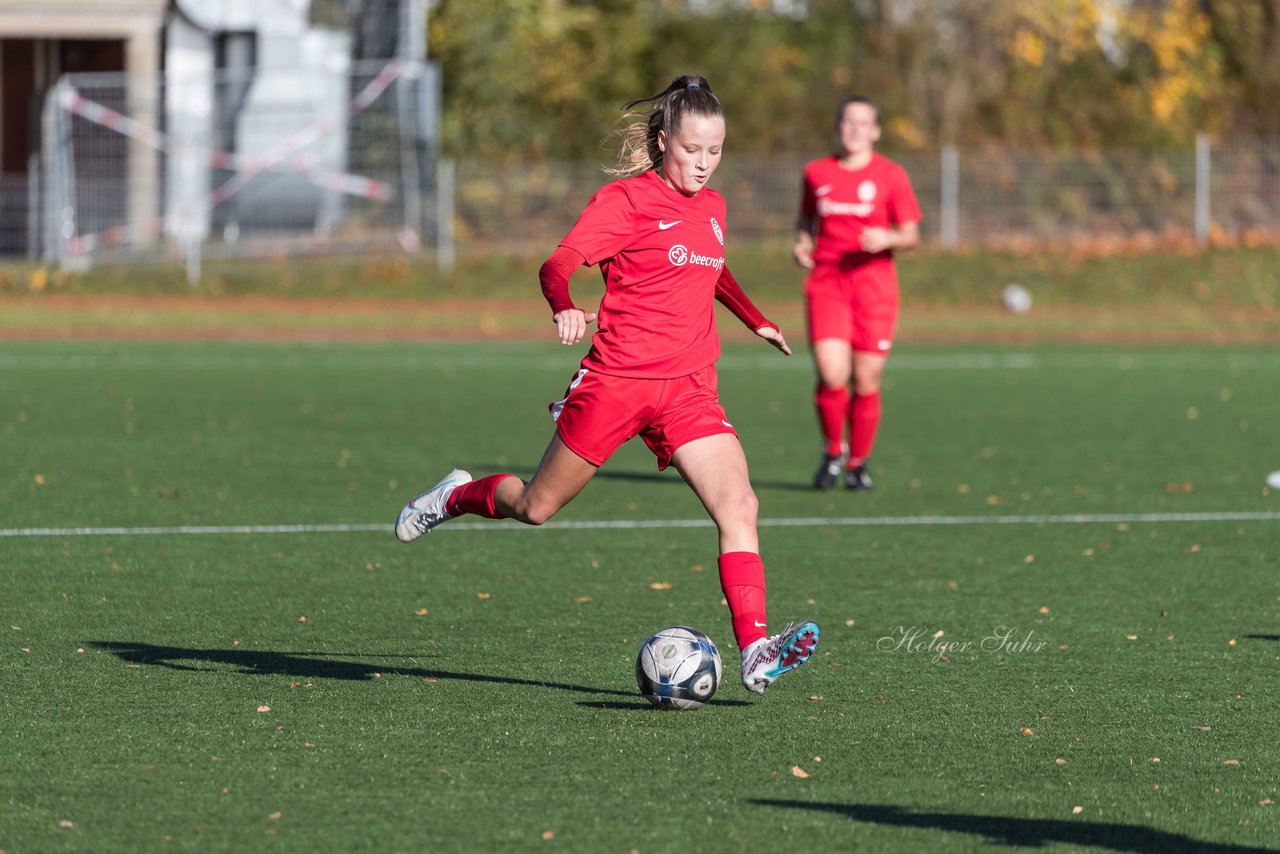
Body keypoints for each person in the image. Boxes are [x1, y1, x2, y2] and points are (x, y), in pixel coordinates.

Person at [395, 74, 818, 696]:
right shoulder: (624, 202)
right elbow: (558, 263)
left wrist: (757, 319)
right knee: (536, 508)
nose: (703, 165)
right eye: (691, 150)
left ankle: (755, 647)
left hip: (690, 387)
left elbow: (714, 270)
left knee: (741, 506)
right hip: (615, 382)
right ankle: (459, 494)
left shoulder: (715, 208)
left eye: (715, 151)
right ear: (662, 138)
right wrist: (562, 304)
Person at [793, 95, 921, 490]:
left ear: (876, 131)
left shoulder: (892, 175)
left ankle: (858, 463)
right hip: (828, 284)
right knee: (833, 374)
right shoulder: (816, 172)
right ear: (837, 127)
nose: (855, 130)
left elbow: (912, 234)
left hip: (875, 286)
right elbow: (806, 219)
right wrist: (800, 243)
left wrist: (887, 237)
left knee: (866, 380)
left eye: (864, 124)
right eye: (848, 122)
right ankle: (833, 451)